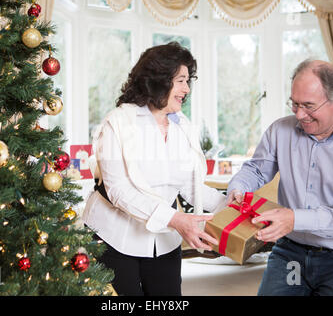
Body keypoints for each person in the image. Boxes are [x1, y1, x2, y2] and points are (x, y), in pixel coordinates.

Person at [82, 42, 226, 296]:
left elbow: (187, 185)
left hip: (164, 241)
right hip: (113, 238)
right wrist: (176, 219)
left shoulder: (182, 126)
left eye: (188, 81)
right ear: (159, 80)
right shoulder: (118, 122)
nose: (186, 89)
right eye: (181, 80)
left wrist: (231, 205)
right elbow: (119, 192)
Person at [227, 59, 333, 296]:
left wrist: (296, 219)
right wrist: (238, 187)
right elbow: (256, 170)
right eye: (294, 104)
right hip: (291, 253)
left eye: (309, 105)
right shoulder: (280, 130)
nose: (300, 114)